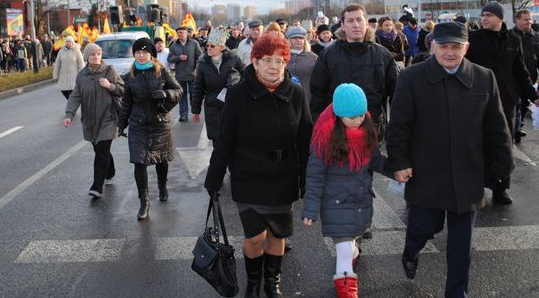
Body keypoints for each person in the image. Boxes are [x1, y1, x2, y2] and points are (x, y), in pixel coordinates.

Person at [386, 21, 514, 298]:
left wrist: (503, 166)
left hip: (467, 174)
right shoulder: (412, 77)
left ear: (466, 48)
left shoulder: (483, 77)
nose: (449, 52)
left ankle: (457, 293)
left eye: (456, 46)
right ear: (432, 46)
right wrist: (399, 162)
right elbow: (399, 126)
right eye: (443, 46)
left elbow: (497, 126)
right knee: (423, 227)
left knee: (461, 245)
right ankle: (412, 249)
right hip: (425, 172)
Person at [204, 34, 313, 298]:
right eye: (268, 60)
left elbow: (305, 141)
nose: (275, 66)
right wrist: (214, 178)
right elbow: (226, 138)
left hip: (283, 176)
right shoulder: (239, 94)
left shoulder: (296, 93)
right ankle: (253, 283)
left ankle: (271, 282)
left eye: (280, 61)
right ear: (254, 61)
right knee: (254, 237)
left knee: (277, 234)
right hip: (248, 176)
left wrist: (307, 182)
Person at [302, 83, 391, 297]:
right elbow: (314, 176)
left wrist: (398, 170)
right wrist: (310, 210)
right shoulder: (325, 138)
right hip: (335, 203)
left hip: (360, 201)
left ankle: (351, 256)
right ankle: (347, 292)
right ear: (340, 115)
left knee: (350, 246)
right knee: (343, 252)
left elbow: (376, 162)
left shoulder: (366, 132)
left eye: (361, 115)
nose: (358, 121)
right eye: (352, 118)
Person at [465, 1, 539, 204]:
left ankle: (500, 189)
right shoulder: (473, 39)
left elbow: (520, 71)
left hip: (506, 100)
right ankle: (477, 186)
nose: (484, 18)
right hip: (477, 98)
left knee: (503, 144)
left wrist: (533, 95)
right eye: (483, 15)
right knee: (478, 144)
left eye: (489, 15)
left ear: (500, 17)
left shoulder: (513, 40)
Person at [118, 38, 183, 220]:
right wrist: (120, 125)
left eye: (144, 52)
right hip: (138, 124)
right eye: (137, 52)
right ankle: (144, 202)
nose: (140, 55)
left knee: (161, 161)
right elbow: (126, 103)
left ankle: (162, 185)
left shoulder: (161, 71)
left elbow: (179, 90)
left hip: (160, 124)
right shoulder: (130, 76)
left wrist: (166, 93)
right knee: (139, 162)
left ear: (151, 55)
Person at [310, 4, 397, 137]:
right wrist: (321, 125)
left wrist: (394, 129)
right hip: (337, 130)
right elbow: (317, 94)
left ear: (366, 23)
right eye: (350, 21)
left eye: (359, 20)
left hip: (372, 129)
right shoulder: (328, 55)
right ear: (343, 26)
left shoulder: (383, 55)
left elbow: (396, 94)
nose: (356, 25)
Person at [64, 43, 125, 198]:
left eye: (98, 54)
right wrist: (69, 115)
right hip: (90, 120)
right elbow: (75, 96)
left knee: (102, 150)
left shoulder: (109, 71)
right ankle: (110, 171)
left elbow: (123, 90)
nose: (96, 57)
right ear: (86, 57)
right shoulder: (82, 76)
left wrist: (110, 85)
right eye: (92, 55)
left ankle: (97, 186)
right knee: (100, 149)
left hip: (108, 118)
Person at [191, 28, 244, 144]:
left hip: (232, 105)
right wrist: (196, 110)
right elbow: (198, 87)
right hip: (213, 107)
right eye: (207, 45)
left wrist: (237, 84)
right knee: (218, 140)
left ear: (222, 47)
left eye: (212, 46)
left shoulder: (234, 58)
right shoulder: (203, 63)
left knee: (234, 139)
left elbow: (247, 76)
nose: (208, 48)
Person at [509, 8, 539, 143]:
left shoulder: (536, 37)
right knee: (515, 105)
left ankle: (518, 128)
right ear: (517, 20)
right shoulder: (509, 36)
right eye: (526, 19)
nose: (529, 22)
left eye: (530, 19)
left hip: (529, 79)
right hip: (513, 80)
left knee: (523, 104)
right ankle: (512, 130)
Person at [167, 26, 202, 122]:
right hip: (180, 75)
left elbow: (200, 56)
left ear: (186, 33)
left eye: (181, 32)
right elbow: (169, 59)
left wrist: (199, 68)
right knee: (182, 96)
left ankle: (195, 112)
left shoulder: (194, 44)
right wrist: (178, 57)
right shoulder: (174, 46)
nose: (180, 34)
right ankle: (183, 115)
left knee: (193, 95)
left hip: (192, 74)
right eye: (178, 33)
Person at [285, 26, 318, 108]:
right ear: (289, 40)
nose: (298, 40)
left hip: (307, 99)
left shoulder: (313, 57)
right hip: (286, 98)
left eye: (301, 38)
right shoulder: (283, 56)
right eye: (295, 38)